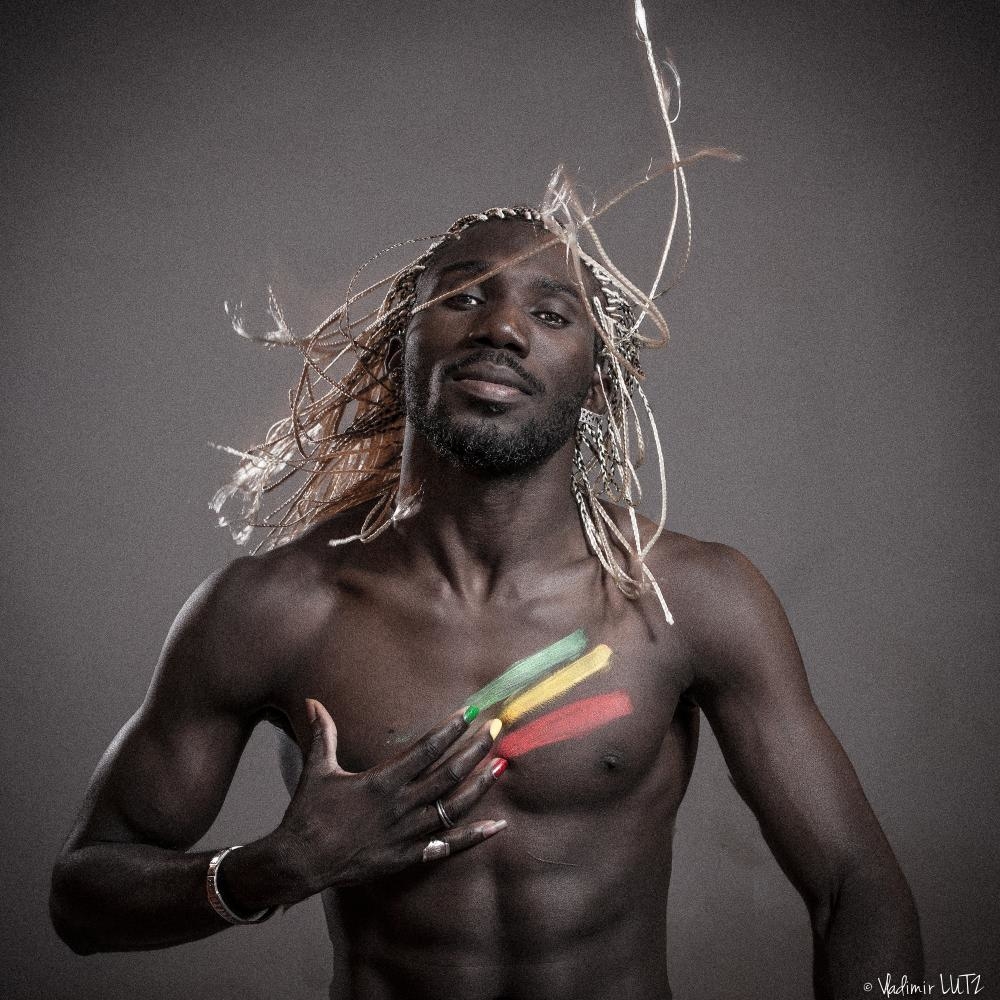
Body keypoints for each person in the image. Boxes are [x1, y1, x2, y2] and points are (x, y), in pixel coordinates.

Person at [50, 204, 923, 999]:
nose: (502, 327)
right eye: (463, 297)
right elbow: (82, 898)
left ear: (599, 379)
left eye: (552, 314)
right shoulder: (278, 608)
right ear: (400, 346)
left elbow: (856, 886)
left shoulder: (689, 599)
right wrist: (275, 866)